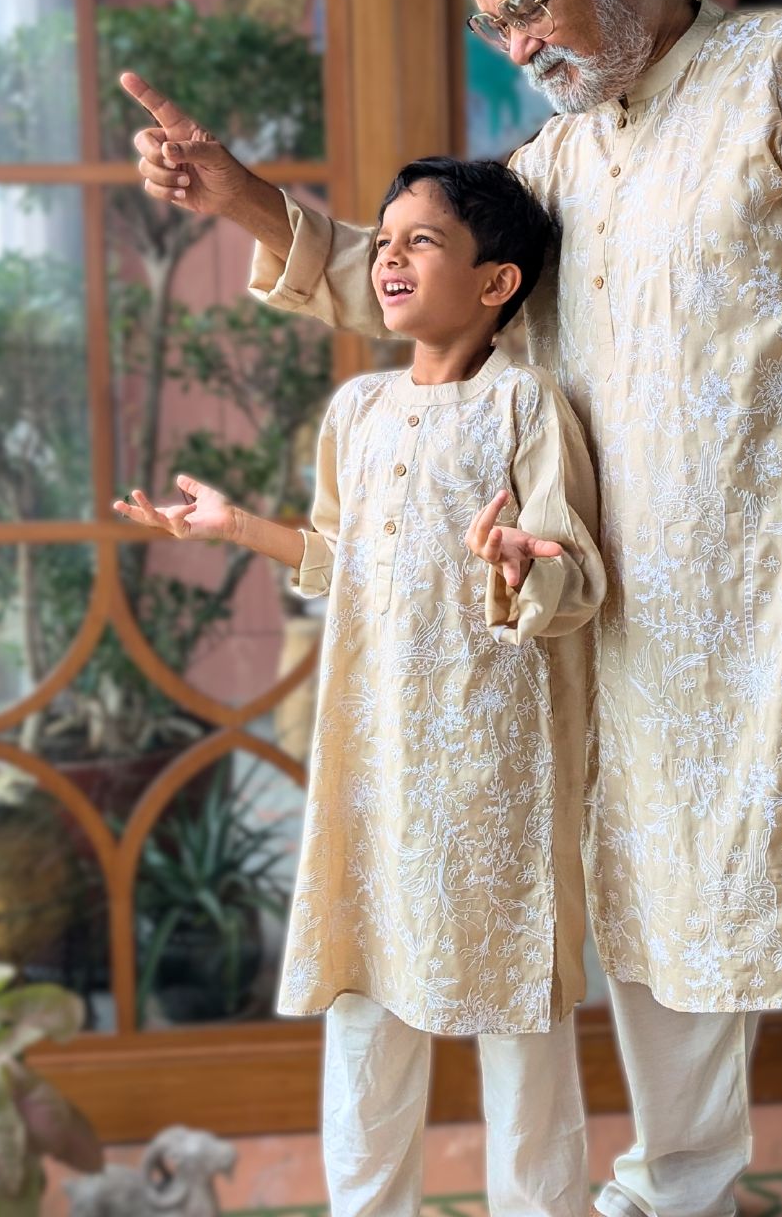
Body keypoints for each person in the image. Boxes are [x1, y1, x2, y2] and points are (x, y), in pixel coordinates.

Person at [123, 0, 782, 1217]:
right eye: (495, 22)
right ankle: (684, 1193)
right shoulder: (560, 168)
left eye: (525, 3)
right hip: (638, 639)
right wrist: (244, 199)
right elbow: (412, 275)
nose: (518, 45)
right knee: (661, 946)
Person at [114, 156, 606, 1217]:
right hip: (373, 765)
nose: (387, 257)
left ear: (496, 283)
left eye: (420, 241)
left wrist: (527, 563)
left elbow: (578, 571)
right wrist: (237, 527)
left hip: (494, 778)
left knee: (519, 1016)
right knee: (366, 1007)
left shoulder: (528, 405)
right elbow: (348, 563)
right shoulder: (359, 410)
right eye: (382, 240)